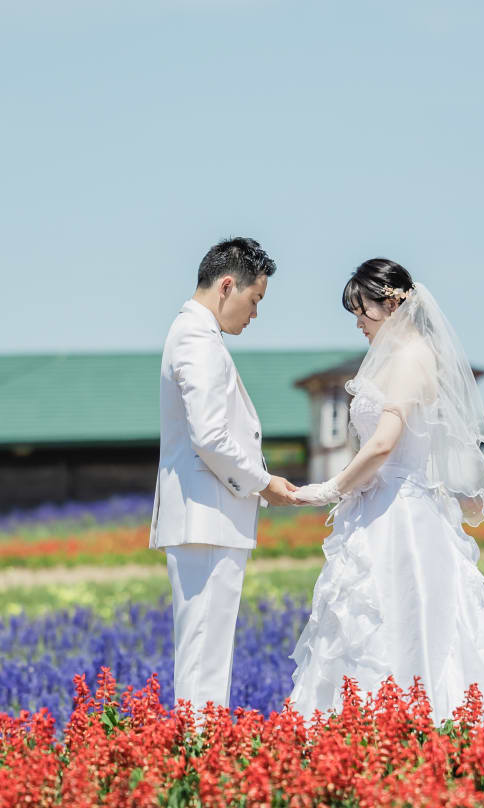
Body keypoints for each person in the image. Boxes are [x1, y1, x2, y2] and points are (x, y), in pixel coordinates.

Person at [289, 258, 484, 726]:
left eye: (363, 310)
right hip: (381, 506)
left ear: (393, 302)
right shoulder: (398, 357)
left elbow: (383, 444)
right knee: (373, 615)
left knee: (408, 615)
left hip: (402, 512)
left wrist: (328, 489)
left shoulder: (411, 358)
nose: (358, 322)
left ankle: (416, 718)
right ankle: (372, 720)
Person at [150, 237, 298, 712]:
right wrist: (262, 482)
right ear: (227, 286)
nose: (254, 314)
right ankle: (199, 756)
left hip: (205, 515)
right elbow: (210, 436)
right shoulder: (197, 337)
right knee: (204, 655)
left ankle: (199, 749)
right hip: (207, 515)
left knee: (205, 649)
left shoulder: (192, 332)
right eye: (254, 300)